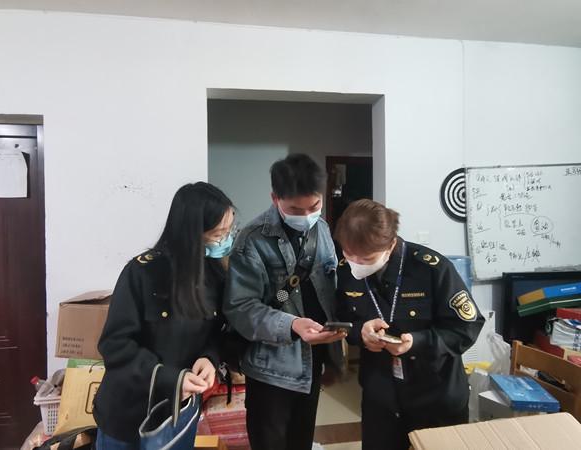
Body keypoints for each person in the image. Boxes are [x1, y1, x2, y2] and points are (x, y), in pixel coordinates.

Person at [93, 182, 236, 449]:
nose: (225, 240)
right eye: (218, 234)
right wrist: (170, 378)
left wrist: (210, 358)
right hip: (128, 413)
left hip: (178, 414)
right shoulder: (142, 273)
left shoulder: (215, 275)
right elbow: (115, 344)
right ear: (191, 234)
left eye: (229, 231)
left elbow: (218, 331)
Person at [334, 199, 485, 450]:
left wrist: (418, 342)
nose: (356, 264)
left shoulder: (431, 269)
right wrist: (360, 332)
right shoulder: (345, 270)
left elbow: (466, 327)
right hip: (380, 396)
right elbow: (342, 319)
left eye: (366, 258)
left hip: (434, 394)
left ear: (390, 245)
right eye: (349, 254)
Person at [223, 154, 346, 450]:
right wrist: (292, 325)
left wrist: (335, 352)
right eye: (295, 210)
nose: (306, 216)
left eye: (314, 206)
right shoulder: (252, 239)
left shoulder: (322, 229)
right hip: (271, 368)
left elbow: (331, 286)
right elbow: (241, 308)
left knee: (301, 440)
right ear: (275, 198)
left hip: (313, 359)